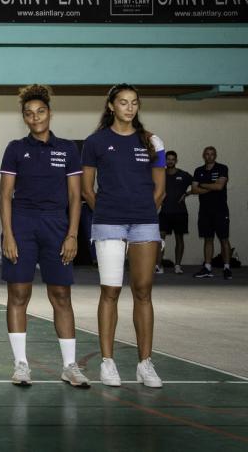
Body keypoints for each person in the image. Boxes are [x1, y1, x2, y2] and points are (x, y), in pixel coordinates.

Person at [0, 85, 89, 388]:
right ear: (23, 118)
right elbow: (5, 196)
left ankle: (69, 366)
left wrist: (72, 235)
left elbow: (76, 197)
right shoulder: (15, 148)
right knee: (18, 294)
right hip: (22, 225)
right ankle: (21, 365)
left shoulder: (67, 150)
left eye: (40, 111)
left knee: (62, 295)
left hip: (56, 226)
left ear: (49, 113)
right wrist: (9, 235)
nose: (34, 117)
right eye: (28, 113)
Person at [81, 84, 166, 388]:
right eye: (123, 103)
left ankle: (145, 364)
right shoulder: (95, 142)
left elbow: (160, 189)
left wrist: (143, 210)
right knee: (111, 292)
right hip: (109, 224)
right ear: (111, 106)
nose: (129, 108)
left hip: (144, 223)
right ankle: (108, 363)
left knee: (143, 291)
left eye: (134, 103)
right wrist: (107, 210)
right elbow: (87, 189)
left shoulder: (152, 141)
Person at [192, 146, 232, 280]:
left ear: (215, 155)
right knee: (208, 239)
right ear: (203, 155)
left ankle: (227, 267)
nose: (209, 156)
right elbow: (194, 189)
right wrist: (211, 186)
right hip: (204, 212)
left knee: (224, 239)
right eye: (207, 154)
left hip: (220, 210)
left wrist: (202, 185)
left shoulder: (222, 168)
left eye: (212, 154)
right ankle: (207, 268)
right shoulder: (198, 170)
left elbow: (220, 186)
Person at [156, 151, 192, 275]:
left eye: (173, 159)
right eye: (168, 159)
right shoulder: (160, 174)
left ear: (176, 161)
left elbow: (196, 185)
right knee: (160, 239)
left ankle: (177, 265)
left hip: (180, 212)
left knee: (179, 238)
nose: (170, 161)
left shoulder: (184, 175)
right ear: (165, 161)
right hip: (164, 212)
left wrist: (187, 193)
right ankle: (158, 265)